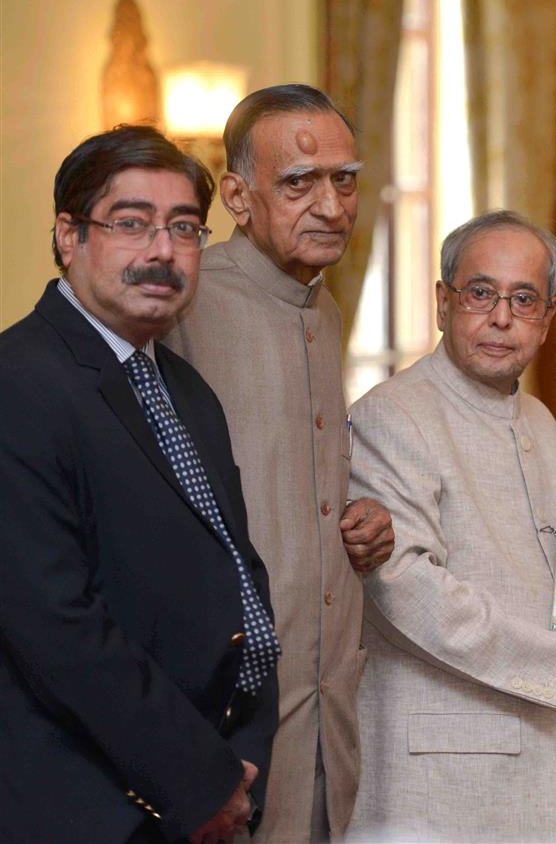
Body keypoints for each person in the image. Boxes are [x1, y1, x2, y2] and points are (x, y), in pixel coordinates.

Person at [0, 126, 279, 842]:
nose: (162, 251)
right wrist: (201, 779)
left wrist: (243, 757)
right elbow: (58, 626)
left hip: (200, 795)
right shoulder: (20, 381)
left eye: (183, 228)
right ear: (69, 235)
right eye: (131, 224)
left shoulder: (185, 390)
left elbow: (233, 575)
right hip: (86, 806)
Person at [345, 210, 556, 841]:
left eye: (524, 299)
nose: (501, 317)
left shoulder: (543, 427)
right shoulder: (391, 416)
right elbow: (404, 589)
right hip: (439, 784)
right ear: (442, 302)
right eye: (481, 293)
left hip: (544, 764)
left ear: (548, 317)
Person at [161, 84, 395, 842]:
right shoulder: (184, 300)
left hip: (327, 706)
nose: (329, 205)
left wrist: (360, 513)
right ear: (237, 194)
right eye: (298, 182)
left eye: (344, 179)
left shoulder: (322, 307)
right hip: (227, 712)